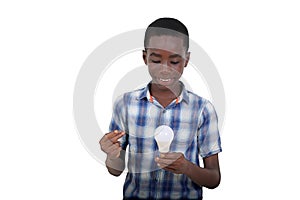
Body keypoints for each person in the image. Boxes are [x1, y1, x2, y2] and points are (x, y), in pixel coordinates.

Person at [99, 17, 222, 200]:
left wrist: (186, 167)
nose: (165, 69)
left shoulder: (203, 109)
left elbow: (214, 179)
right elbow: (116, 170)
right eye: (156, 60)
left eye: (174, 62)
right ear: (145, 57)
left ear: (186, 60)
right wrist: (111, 155)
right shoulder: (125, 104)